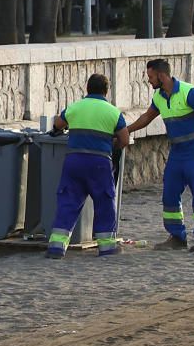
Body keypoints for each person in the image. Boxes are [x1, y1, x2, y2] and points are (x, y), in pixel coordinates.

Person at [126, 59, 194, 252]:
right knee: (169, 193)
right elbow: (146, 117)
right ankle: (177, 237)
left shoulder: (188, 92)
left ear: (161, 76)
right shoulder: (160, 97)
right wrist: (126, 131)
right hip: (177, 153)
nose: (149, 81)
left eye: (151, 77)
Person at [45, 74, 130, 259]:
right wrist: (111, 146)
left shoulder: (75, 107)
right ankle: (107, 248)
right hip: (100, 163)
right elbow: (124, 139)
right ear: (106, 91)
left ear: (87, 88)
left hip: (74, 161)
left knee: (68, 201)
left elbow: (57, 125)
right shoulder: (113, 112)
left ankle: (56, 248)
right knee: (104, 202)